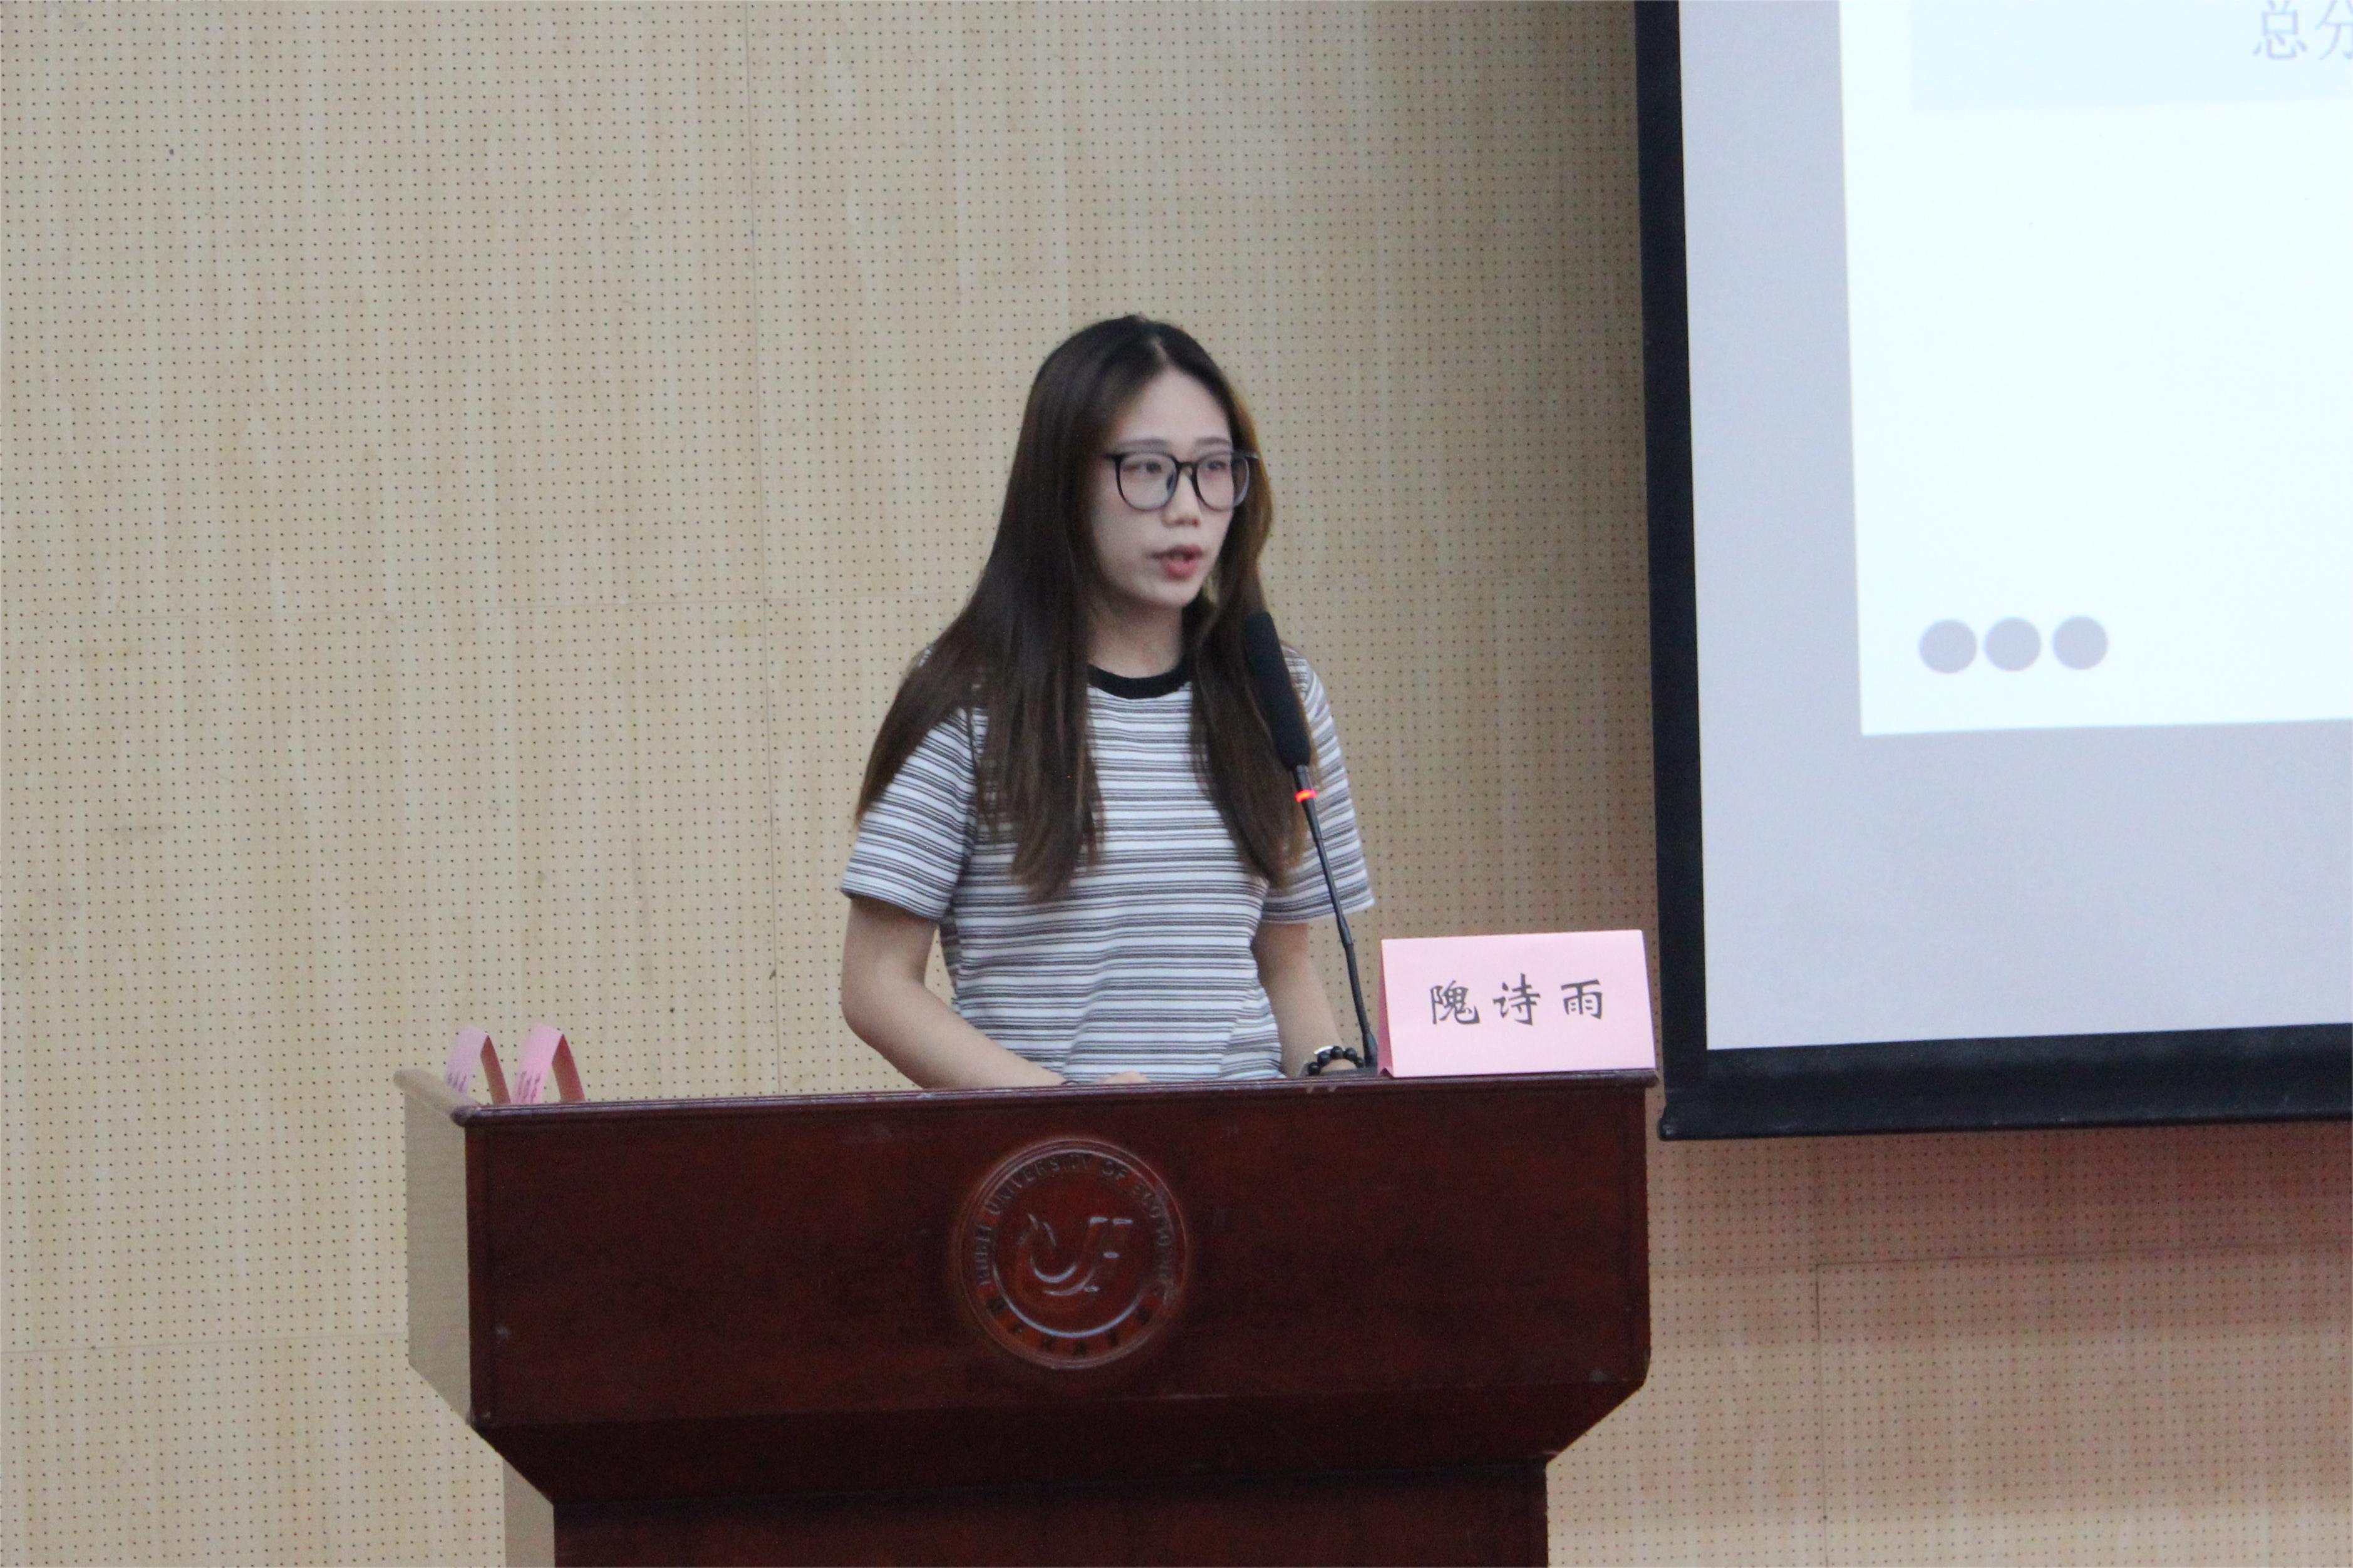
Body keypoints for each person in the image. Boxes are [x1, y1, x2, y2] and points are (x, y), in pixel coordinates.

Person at [838, 316, 1374, 1088]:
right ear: (1062, 482)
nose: (1188, 508)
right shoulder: (968, 698)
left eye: (1214, 468)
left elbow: (1284, 964)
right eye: (1149, 469)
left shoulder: (1274, 691)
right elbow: (877, 986)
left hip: (1245, 1142)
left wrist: (1333, 1083)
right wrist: (1070, 1110)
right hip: (1055, 1151)